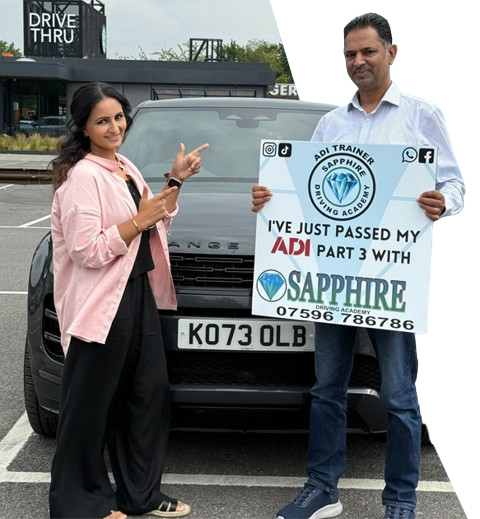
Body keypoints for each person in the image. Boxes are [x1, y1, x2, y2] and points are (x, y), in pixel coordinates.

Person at [251, 13, 465, 519]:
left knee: (400, 395)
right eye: (350, 54)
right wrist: (270, 197)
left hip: (390, 279)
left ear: (392, 52)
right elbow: (307, 192)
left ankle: (401, 501)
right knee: (327, 387)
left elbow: (454, 182)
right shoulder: (332, 123)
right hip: (333, 278)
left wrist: (444, 202)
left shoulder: (422, 114)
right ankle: (322, 489)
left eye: (368, 51)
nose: (358, 61)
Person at [48, 81, 208, 519]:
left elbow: (155, 221)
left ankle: (140, 494)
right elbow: (87, 250)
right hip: (101, 304)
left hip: (135, 293)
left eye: (118, 117)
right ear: (83, 127)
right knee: (90, 406)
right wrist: (138, 221)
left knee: (146, 394)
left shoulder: (123, 166)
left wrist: (175, 181)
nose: (114, 127)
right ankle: (80, 504)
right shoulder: (83, 178)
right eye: (102, 121)